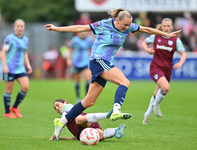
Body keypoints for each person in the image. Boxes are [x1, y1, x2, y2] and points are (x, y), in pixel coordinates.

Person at [44, 8, 181, 140]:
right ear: (117, 20)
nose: (127, 28)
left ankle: (61, 124)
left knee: (89, 101)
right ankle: (116, 110)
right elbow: (81, 28)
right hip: (98, 60)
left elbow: (145, 29)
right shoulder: (104, 25)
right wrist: (57, 28)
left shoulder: (128, 26)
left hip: (103, 62)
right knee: (125, 82)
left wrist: (164, 34)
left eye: (129, 25)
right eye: (125, 25)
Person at [141, 18, 187, 125]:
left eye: (168, 26)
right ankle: (156, 106)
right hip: (155, 68)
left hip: (167, 70)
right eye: (164, 26)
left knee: (157, 93)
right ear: (161, 27)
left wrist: (180, 63)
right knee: (165, 88)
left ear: (172, 27)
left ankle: (147, 115)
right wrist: (147, 50)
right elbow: (144, 42)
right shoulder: (156, 36)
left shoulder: (176, 40)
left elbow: (183, 54)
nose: (166, 28)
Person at [49, 99, 126, 141]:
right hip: (85, 131)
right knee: (100, 136)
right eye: (55, 108)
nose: (57, 108)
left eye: (57, 105)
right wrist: (63, 138)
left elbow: (64, 116)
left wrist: (56, 133)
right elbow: (77, 137)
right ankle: (116, 130)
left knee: (78, 120)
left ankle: (106, 115)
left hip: (86, 122)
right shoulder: (65, 121)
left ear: (65, 102)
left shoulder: (68, 107)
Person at [1, 19, 32, 118]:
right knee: (8, 90)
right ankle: (7, 113)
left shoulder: (25, 39)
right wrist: (5, 66)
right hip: (10, 68)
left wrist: (28, 64)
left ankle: (14, 107)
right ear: (14, 27)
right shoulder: (9, 38)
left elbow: (25, 52)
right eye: (18, 26)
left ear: (24, 28)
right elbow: (3, 52)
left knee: (25, 87)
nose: (19, 28)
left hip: (20, 68)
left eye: (21, 26)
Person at [67, 32, 93, 102]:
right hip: (76, 61)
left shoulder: (89, 40)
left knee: (88, 78)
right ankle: (77, 96)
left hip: (86, 61)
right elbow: (70, 48)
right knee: (77, 80)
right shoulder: (75, 40)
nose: (83, 34)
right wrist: (69, 58)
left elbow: (93, 47)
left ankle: (86, 97)